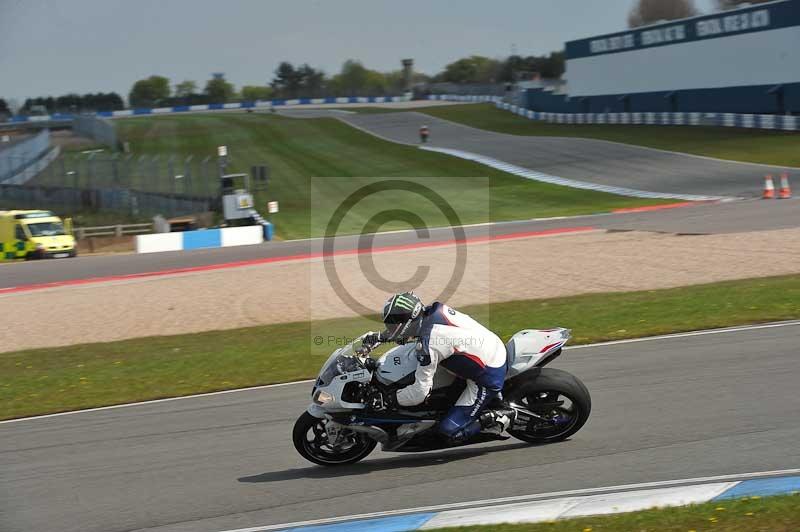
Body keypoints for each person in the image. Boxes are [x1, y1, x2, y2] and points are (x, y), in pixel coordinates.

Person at [364, 292, 515, 442]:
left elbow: (420, 393)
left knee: (448, 431)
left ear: (407, 323)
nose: (391, 328)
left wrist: (388, 399)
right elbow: (407, 330)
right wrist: (379, 337)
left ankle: (499, 417)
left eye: (393, 324)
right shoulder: (432, 312)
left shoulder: (430, 344)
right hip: (486, 347)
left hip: (488, 374)